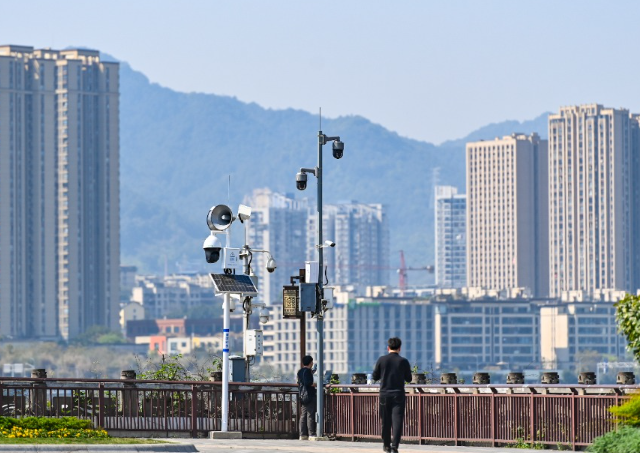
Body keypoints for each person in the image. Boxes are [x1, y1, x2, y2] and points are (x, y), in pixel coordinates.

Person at [372, 337, 412, 453]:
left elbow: (375, 376)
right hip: (398, 394)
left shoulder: (382, 360)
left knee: (386, 421)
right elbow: (409, 379)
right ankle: (395, 446)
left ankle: (386, 446)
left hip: (384, 394)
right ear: (400, 348)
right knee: (397, 421)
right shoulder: (403, 361)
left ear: (388, 348)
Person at [297, 355, 317, 440]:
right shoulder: (308, 371)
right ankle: (311, 434)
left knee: (303, 415)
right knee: (310, 415)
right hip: (309, 395)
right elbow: (308, 382)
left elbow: (300, 382)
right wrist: (315, 384)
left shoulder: (300, 371)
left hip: (302, 395)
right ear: (310, 363)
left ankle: (302, 434)